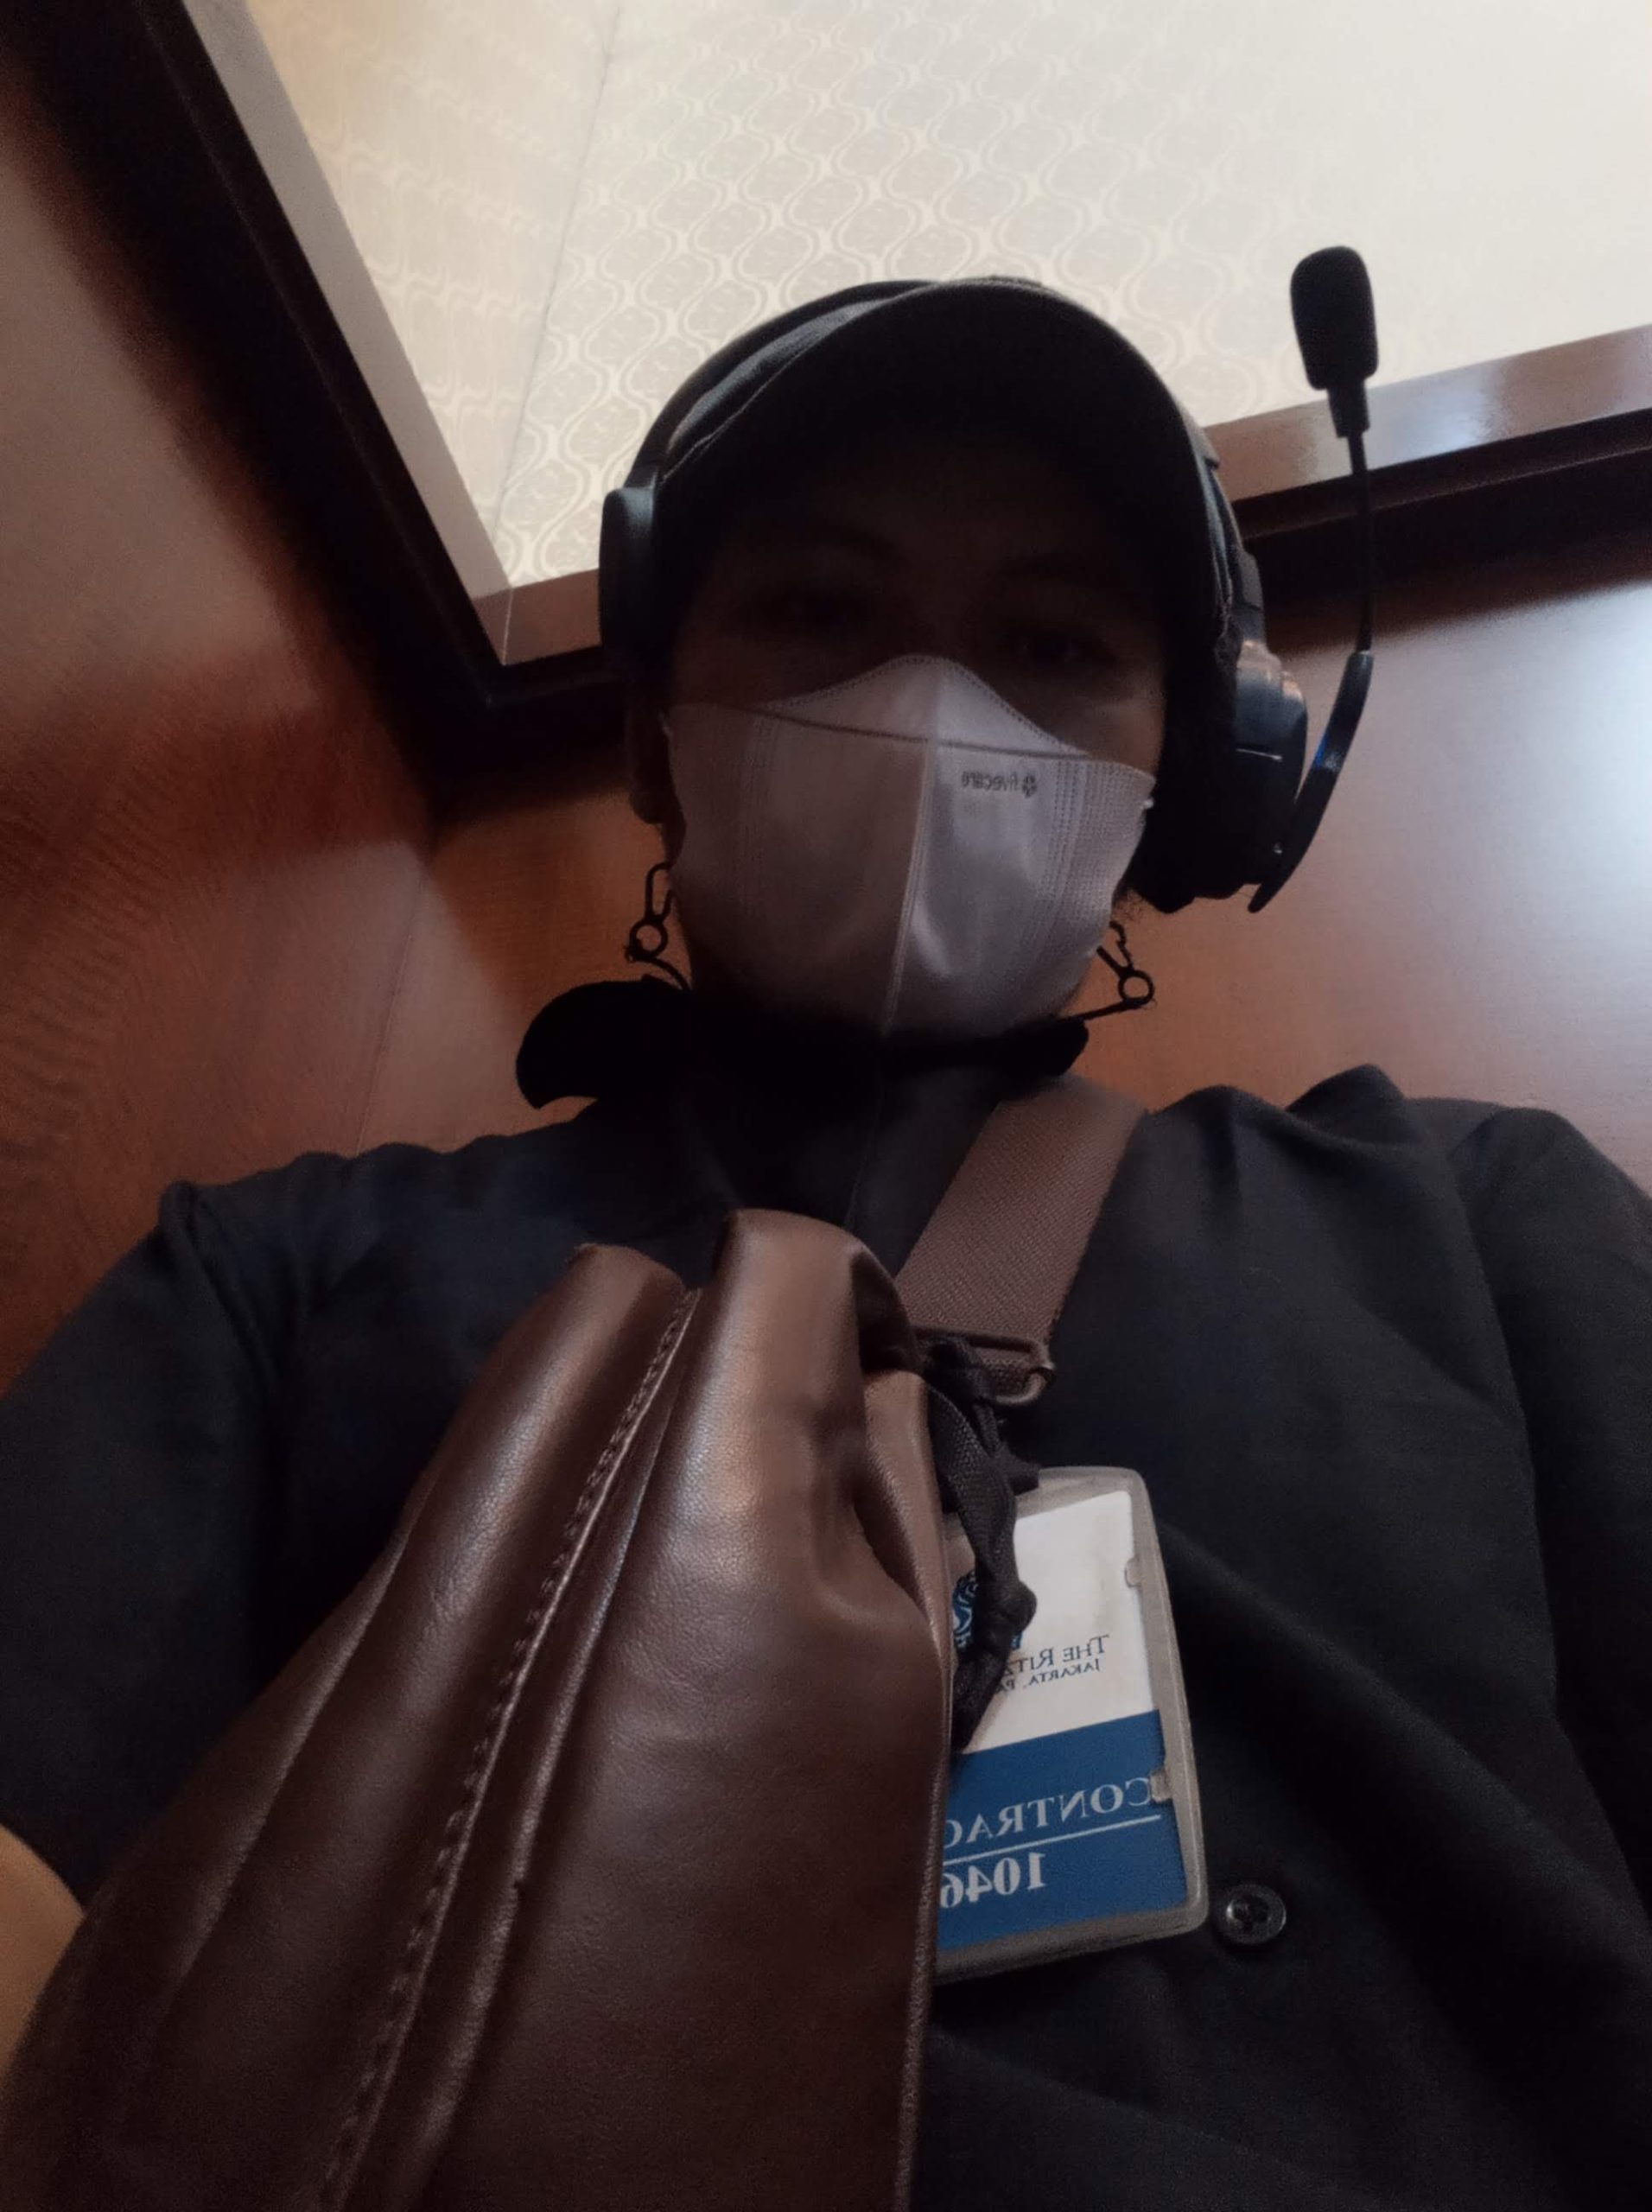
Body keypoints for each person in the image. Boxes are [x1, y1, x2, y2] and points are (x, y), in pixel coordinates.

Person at [2, 276, 1649, 2209]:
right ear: (652, 733)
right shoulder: (277, 1277)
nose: (927, 711)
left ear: (1187, 782)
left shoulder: (1466, 1214)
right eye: (817, 610)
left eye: (1050, 643)